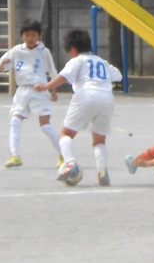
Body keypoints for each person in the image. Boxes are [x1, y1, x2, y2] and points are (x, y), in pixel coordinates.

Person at [36, 29, 123, 187]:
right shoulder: (102, 62)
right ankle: (102, 172)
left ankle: (70, 164)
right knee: (99, 140)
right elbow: (118, 75)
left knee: (65, 134)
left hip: (85, 96)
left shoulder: (77, 61)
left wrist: (46, 86)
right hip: (107, 99)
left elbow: (63, 77)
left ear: (73, 49)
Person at [0, 18, 59, 168]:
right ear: (21, 36)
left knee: (45, 125)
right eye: (27, 35)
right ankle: (15, 156)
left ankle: (64, 155)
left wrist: (53, 91)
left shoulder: (44, 52)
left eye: (34, 35)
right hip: (22, 91)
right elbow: (0, 65)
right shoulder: (17, 50)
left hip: (40, 90)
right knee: (15, 120)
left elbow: (53, 73)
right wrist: (2, 64)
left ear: (39, 36)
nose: (30, 38)